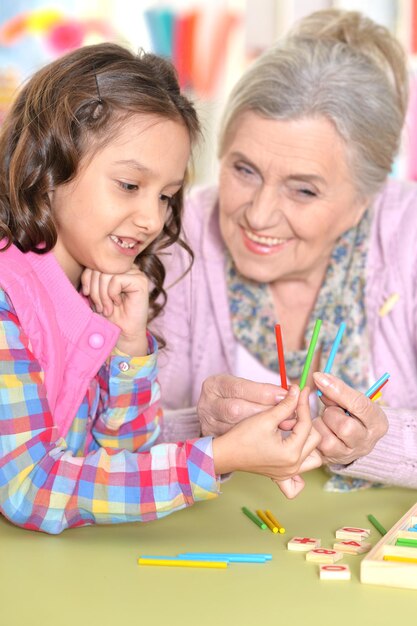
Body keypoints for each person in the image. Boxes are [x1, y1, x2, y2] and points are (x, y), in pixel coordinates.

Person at [0, 42, 323, 534]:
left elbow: (116, 459)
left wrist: (129, 348)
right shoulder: (8, 296)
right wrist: (218, 456)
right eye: (130, 185)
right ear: (47, 169)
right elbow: (28, 487)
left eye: (168, 196)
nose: (153, 219)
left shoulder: (93, 287)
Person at [154, 9, 417, 489]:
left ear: (363, 201)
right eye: (244, 170)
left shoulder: (408, 236)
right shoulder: (177, 232)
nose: (258, 214)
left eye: (303, 190)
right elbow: (95, 438)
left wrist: (382, 439)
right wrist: (201, 429)